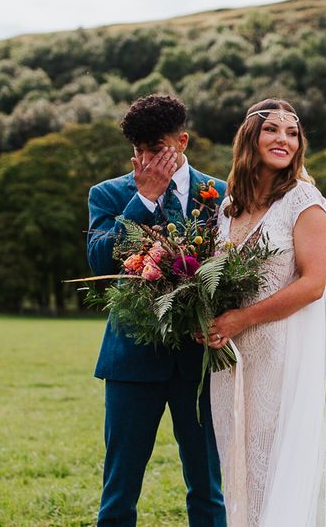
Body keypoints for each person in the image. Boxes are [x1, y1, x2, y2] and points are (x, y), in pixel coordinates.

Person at [87, 94, 228, 527]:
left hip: (199, 361)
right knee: (120, 489)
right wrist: (144, 198)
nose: (147, 160)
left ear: (182, 142)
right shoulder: (109, 193)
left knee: (207, 486)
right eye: (139, 151)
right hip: (131, 361)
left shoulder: (219, 194)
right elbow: (99, 261)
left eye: (157, 150)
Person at [201, 98, 326, 527]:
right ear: (250, 137)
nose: (283, 139)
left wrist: (243, 319)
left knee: (269, 465)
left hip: (278, 355)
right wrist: (206, 317)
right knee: (235, 467)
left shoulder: (304, 200)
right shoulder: (229, 206)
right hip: (230, 361)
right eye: (272, 129)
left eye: (292, 132)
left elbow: (313, 284)